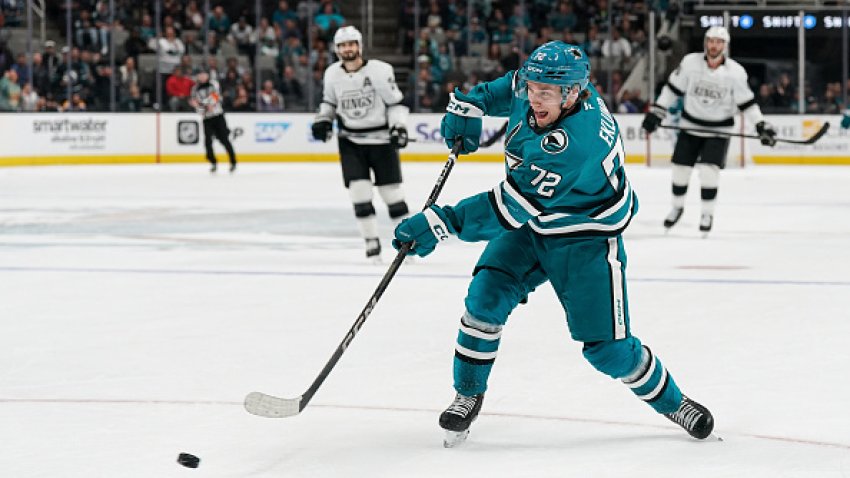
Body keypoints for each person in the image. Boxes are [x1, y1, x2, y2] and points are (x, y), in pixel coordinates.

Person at [391, 41, 715, 448]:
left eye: (546, 93)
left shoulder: (575, 145)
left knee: (608, 352)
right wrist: (469, 106)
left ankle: (674, 402)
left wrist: (441, 222)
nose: (534, 98)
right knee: (484, 299)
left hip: (585, 239)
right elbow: (503, 90)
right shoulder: (547, 89)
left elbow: (506, 209)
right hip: (535, 224)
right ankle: (468, 392)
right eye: (532, 87)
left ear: (574, 94)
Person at [641, 26, 777, 235]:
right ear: (706, 42)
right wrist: (656, 113)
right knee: (680, 170)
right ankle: (677, 208)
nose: (714, 45)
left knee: (708, 172)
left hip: (718, 130)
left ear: (725, 45)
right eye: (711, 41)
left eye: (718, 42)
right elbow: (672, 90)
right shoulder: (689, 63)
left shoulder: (736, 72)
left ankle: (707, 213)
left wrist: (761, 125)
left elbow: (747, 103)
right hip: (690, 125)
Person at [312, 26, 411, 261]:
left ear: (359, 46)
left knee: (392, 195)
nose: (347, 49)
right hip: (351, 142)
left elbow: (396, 103)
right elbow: (329, 102)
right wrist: (323, 120)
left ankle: (408, 242)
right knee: (360, 193)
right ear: (337, 49)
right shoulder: (332, 74)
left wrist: (398, 127)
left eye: (351, 44)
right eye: (343, 45)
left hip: (381, 140)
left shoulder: (380, 71)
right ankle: (371, 243)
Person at [189, 71, 237, 173]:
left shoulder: (213, 83)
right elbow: (195, 104)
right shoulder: (194, 89)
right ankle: (213, 162)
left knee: (224, 139)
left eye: (204, 74)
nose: (202, 76)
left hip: (218, 116)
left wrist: (203, 104)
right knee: (207, 141)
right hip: (207, 118)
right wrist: (203, 107)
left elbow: (216, 97)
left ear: (207, 75)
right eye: (200, 75)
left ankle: (233, 161)